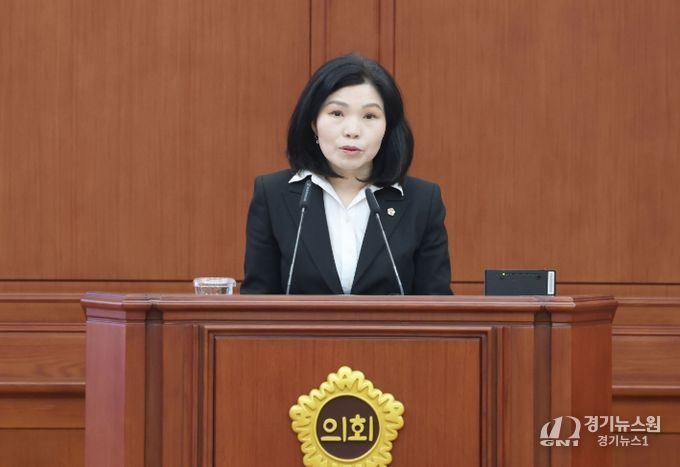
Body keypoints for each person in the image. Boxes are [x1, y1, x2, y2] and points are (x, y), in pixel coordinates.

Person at [241, 53, 452, 295]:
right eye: (337, 114)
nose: (352, 131)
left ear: (387, 127)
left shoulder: (422, 200)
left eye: (369, 116)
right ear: (313, 123)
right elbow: (256, 302)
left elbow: (437, 306)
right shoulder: (273, 195)